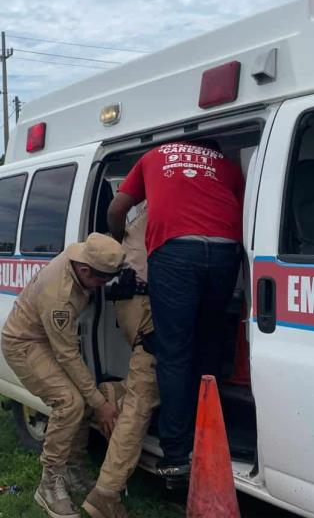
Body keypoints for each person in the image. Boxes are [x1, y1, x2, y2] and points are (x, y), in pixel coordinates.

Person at [107, 139, 243, 483]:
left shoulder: (154, 156)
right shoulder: (225, 164)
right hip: (227, 249)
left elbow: (116, 209)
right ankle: (210, 433)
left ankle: (177, 456)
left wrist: (118, 241)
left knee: (174, 351)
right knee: (208, 342)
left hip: (175, 249)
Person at [1, 232, 125, 518]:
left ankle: (73, 470)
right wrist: (101, 404)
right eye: (101, 280)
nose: (103, 286)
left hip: (45, 340)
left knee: (83, 397)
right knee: (70, 402)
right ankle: (49, 484)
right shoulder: (60, 296)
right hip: (24, 343)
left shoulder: (82, 255)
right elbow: (66, 355)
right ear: (84, 270)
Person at [83, 203, 159, 518]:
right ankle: (106, 493)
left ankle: (111, 395)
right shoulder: (183, 201)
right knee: (144, 393)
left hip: (132, 298)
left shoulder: (144, 207)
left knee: (150, 377)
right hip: (145, 299)